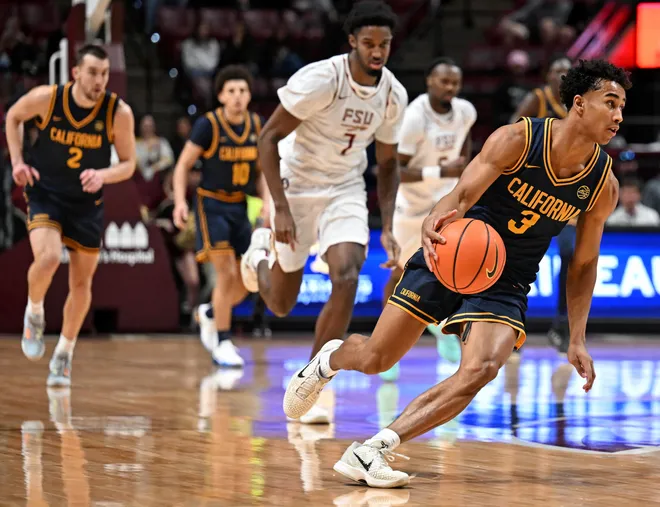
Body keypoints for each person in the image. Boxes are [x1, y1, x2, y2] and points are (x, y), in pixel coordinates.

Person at [283, 59, 630, 487]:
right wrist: (436, 218)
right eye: (609, 102)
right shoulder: (518, 140)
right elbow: (462, 194)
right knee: (376, 357)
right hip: (455, 251)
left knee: (483, 367)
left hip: (509, 278)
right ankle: (328, 361)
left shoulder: (602, 185)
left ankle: (373, 450)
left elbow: (584, 263)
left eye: (622, 106)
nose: (618, 115)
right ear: (579, 104)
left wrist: (577, 336)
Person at [239, 0, 408, 423]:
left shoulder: (393, 94)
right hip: (296, 185)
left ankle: (310, 380)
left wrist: (387, 225)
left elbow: (387, 163)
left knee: (348, 274)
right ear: (352, 42)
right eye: (368, 42)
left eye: (384, 44)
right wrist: (278, 209)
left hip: (345, 190)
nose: (377, 51)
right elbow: (268, 137)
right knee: (280, 303)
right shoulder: (321, 78)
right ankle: (258, 257)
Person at [7, 44, 136, 386]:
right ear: (76, 73)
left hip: (85, 204)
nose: (100, 80)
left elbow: (129, 164)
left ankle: (64, 353)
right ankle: (34, 311)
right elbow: (13, 117)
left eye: (105, 74)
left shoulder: (118, 113)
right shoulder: (48, 98)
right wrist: (17, 162)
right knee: (48, 258)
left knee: (81, 283)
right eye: (93, 72)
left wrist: (103, 175)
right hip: (46, 193)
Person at [379, 57, 477, 382]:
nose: (449, 88)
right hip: (410, 207)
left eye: (455, 83)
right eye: (443, 81)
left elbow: (466, 152)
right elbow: (395, 171)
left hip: (443, 203)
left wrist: (461, 180)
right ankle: (385, 345)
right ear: (429, 82)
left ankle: (441, 329)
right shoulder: (414, 117)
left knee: (448, 273)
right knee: (398, 275)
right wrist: (441, 171)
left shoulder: (466, 112)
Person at [173, 65, 269, 367]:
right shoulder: (208, 125)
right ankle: (224, 341)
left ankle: (212, 313)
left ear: (250, 95)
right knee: (225, 273)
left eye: (242, 91)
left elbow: (262, 171)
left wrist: (267, 202)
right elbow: (182, 166)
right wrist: (179, 202)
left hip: (241, 205)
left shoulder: (257, 124)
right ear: (220, 96)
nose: (238, 96)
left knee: (249, 281)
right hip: (211, 205)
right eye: (231, 91)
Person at [512, 54, 574, 353]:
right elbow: (512, 137)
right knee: (521, 260)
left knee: (571, 253)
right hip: (532, 195)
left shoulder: (581, 105)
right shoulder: (536, 99)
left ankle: (561, 326)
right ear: (548, 74)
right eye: (557, 69)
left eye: (567, 70)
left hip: (565, 197)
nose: (562, 74)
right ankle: (513, 325)